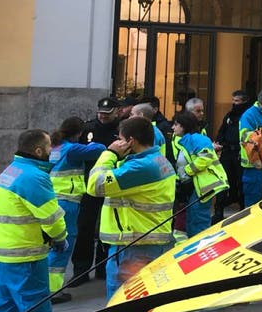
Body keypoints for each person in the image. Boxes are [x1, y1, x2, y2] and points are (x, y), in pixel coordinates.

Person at [86, 116, 176, 301]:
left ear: (131, 141)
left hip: (135, 245)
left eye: (120, 138)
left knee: (122, 300)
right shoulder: (156, 159)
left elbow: (95, 185)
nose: (117, 142)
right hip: (149, 240)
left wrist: (109, 153)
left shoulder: (140, 167)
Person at [0, 129, 68, 312]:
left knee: (4, 310)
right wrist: (60, 239)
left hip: (5, 256)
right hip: (26, 259)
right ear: (39, 151)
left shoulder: (11, 171)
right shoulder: (35, 177)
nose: (52, 151)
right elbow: (52, 219)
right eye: (50, 147)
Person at [47, 117, 105, 301]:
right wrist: (91, 141)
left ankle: (46, 289)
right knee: (63, 247)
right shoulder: (72, 149)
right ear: (78, 133)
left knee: (52, 246)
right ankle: (53, 292)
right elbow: (99, 150)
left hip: (54, 200)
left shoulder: (55, 147)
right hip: (68, 203)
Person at [71, 96, 121, 286]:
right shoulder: (88, 128)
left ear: (116, 112)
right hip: (89, 184)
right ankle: (80, 270)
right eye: (100, 112)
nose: (103, 116)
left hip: (111, 184)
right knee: (85, 227)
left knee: (107, 228)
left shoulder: (121, 130)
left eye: (107, 113)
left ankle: (102, 268)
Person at [171, 111, 229, 237]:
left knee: (198, 220)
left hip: (202, 187)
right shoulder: (185, 141)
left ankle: (200, 246)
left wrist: (187, 171)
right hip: (194, 187)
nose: (173, 127)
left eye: (176, 124)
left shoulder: (197, 139)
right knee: (193, 218)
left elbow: (205, 158)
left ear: (184, 126)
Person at [212, 90, 248, 222]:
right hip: (227, 153)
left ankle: (243, 210)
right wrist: (218, 143)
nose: (234, 103)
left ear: (244, 101)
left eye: (237, 101)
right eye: (233, 101)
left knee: (240, 183)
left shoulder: (246, 116)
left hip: (240, 153)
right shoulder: (229, 116)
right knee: (223, 182)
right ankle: (218, 211)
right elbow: (222, 131)